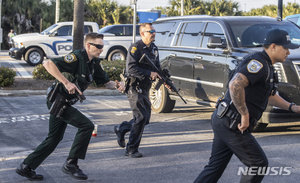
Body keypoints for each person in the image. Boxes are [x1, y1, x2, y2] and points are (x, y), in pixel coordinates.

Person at [194, 29, 300, 183]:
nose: (288, 52)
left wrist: (293, 107)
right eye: (285, 48)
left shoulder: (268, 65)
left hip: (224, 119)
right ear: (273, 46)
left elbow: (270, 95)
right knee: (258, 163)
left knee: (215, 167)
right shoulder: (259, 63)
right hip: (233, 122)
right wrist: (244, 114)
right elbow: (235, 85)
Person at [15, 32, 124, 181]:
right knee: (86, 126)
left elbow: (106, 83)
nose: (101, 49)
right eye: (98, 46)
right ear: (88, 45)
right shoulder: (77, 57)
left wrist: (118, 85)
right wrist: (66, 82)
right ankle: (71, 164)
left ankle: (26, 166)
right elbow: (47, 64)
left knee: (54, 138)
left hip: (64, 102)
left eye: (102, 46)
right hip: (58, 100)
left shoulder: (94, 63)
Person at [114, 23, 169, 158]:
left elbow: (157, 68)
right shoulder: (135, 48)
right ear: (143, 34)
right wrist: (149, 73)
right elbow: (131, 68)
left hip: (145, 87)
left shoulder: (154, 49)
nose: (154, 33)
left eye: (154, 31)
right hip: (133, 86)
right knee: (140, 117)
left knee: (146, 119)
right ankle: (131, 149)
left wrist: (166, 81)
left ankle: (122, 128)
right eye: (151, 31)